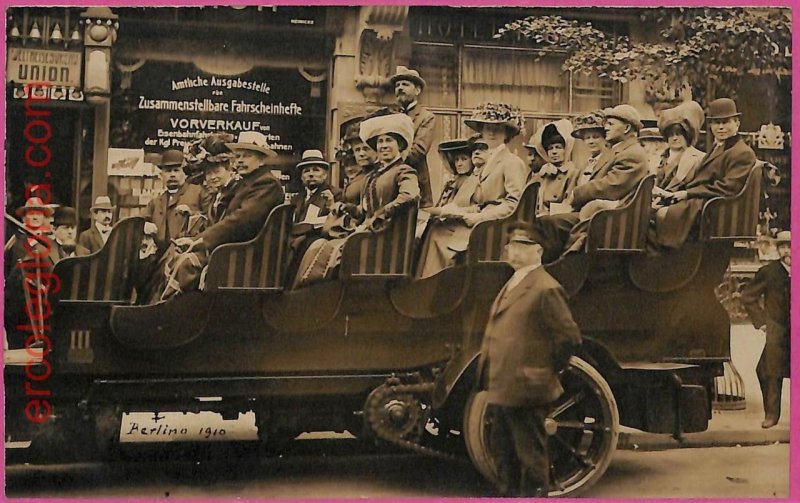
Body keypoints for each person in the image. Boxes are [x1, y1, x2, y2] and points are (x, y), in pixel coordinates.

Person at [477, 223, 581, 497]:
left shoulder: (546, 287)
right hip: (503, 386)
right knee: (504, 456)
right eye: (511, 246)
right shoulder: (514, 282)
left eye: (521, 246)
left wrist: (544, 370)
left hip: (527, 387)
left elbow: (568, 337)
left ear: (538, 251)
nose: (513, 251)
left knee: (531, 458)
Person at [294, 113, 420, 288]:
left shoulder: (403, 171)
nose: (383, 145)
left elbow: (410, 195)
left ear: (399, 145)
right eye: (380, 141)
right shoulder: (375, 175)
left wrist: (381, 214)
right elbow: (364, 210)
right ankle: (308, 291)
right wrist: (346, 208)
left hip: (385, 238)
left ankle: (317, 290)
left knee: (332, 249)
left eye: (389, 140)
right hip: (368, 233)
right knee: (318, 245)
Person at [162, 131, 284, 298]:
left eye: (247, 156)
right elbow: (224, 216)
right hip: (236, 250)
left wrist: (200, 241)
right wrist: (194, 238)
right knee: (176, 257)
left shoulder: (266, 183)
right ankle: (176, 305)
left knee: (187, 263)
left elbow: (240, 221)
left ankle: (174, 307)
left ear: (261, 158)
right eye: (238, 156)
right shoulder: (246, 183)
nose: (240, 160)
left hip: (247, 256)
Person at [532, 104, 648, 261]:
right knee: (547, 221)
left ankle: (557, 267)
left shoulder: (632, 153)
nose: (606, 128)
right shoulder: (620, 152)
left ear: (627, 128)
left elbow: (611, 186)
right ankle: (558, 265)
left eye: (611, 124)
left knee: (549, 222)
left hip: (612, 218)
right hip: (603, 214)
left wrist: (577, 193)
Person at [648, 97, 756, 250]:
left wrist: (687, 194)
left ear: (737, 123)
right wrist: (675, 193)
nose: (721, 127)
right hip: (701, 201)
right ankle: (660, 255)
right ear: (710, 125)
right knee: (649, 212)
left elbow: (728, 187)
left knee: (660, 215)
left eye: (726, 122)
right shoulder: (718, 147)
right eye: (716, 123)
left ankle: (665, 254)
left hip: (711, 206)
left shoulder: (741, 152)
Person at [740, 230, 791, 429]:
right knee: (770, 371)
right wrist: (762, 321)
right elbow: (748, 296)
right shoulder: (769, 272)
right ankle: (772, 414)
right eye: (782, 247)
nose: (787, 251)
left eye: (791, 247)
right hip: (777, 328)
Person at [416, 137, 481, 278]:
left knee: (435, 235)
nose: (459, 163)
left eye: (464, 159)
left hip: (463, 226)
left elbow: (476, 207)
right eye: (456, 160)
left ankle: (434, 278)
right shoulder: (455, 181)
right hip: (449, 222)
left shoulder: (475, 181)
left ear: (472, 160)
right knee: (426, 230)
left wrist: (444, 211)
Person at [287, 149, 342, 282]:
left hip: (318, 241)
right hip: (296, 239)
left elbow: (337, 221)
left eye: (316, 170)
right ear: (301, 177)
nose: (311, 174)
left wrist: (331, 205)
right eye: (306, 171)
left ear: (325, 174)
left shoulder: (335, 194)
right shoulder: (297, 198)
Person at [142, 149, 207, 252]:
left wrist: (193, 215)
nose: (172, 174)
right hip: (160, 255)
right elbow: (140, 222)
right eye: (168, 171)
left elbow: (210, 221)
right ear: (162, 175)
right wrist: (145, 226)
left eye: (176, 170)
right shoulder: (156, 202)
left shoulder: (198, 192)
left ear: (185, 173)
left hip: (188, 252)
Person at [390, 66, 436, 208]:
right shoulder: (391, 116)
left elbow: (418, 150)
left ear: (417, 90)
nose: (400, 88)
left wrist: (390, 165)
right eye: (397, 85)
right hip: (390, 185)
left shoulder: (426, 117)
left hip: (415, 183)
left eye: (405, 84)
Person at [527, 119, 578, 216]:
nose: (554, 152)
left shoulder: (572, 173)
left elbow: (569, 203)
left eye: (558, 147)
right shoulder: (541, 174)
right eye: (550, 148)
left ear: (566, 149)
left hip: (557, 217)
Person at [570, 111, 609, 191]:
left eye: (596, 137)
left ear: (605, 139)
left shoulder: (609, 162)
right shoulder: (584, 166)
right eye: (587, 138)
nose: (591, 141)